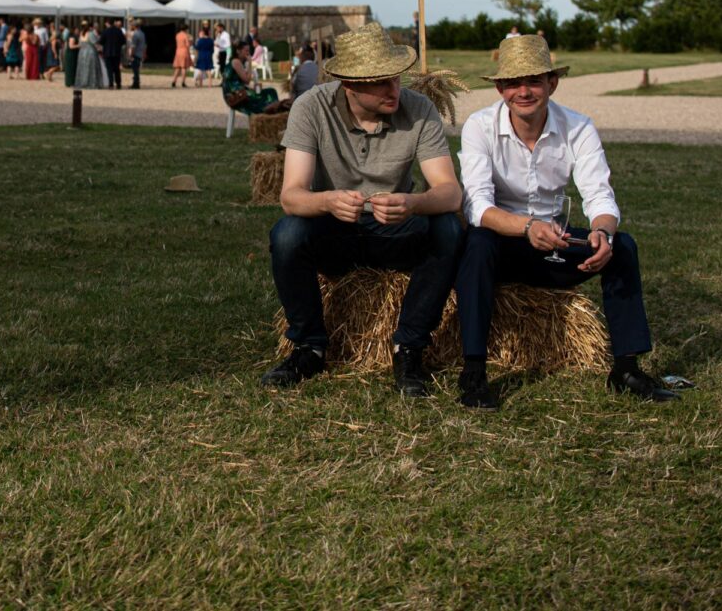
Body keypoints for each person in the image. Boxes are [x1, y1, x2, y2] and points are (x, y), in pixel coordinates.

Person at [453, 34, 676, 409]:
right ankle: (473, 373)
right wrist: (526, 228)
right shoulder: (479, 126)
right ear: (500, 88)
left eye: (534, 81)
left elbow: (600, 196)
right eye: (512, 83)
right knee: (477, 242)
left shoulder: (579, 127)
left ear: (552, 83)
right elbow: (476, 206)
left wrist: (603, 233)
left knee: (622, 247)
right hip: (503, 244)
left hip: (553, 244)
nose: (522, 92)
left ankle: (626, 369)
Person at [264, 22, 464, 397]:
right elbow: (291, 196)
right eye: (382, 83)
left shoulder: (419, 110)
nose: (395, 90)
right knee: (286, 234)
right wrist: (326, 201)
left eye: (396, 79)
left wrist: (413, 203)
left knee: (449, 229)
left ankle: (409, 348)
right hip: (335, 229)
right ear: (351, 85)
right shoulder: (312, 107)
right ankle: (309, 347)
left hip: (395, 229)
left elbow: (450, 193)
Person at [222, 39, 288, 115]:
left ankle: (273, 112)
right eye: (246, 51)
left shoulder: (238, 62)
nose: (248, 53)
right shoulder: (236, 62)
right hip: (236, 96)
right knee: (268, 94)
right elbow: (247, 80)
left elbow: (242, 81)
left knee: (271, 91)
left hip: (239, 92)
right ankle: (271, 112)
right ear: (238, 51)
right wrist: (250, 63)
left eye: (249, 51)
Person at [73, 21, 105, 89]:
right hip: (90, 52)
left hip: (82, 53)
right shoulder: (90, 34)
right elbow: (95, 43)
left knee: (83, 68)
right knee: (91, 68)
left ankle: (83, 82)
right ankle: (92, 82)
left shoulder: (81, 34)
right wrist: (101, 49)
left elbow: (80, 43)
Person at [99, 19, 126, 89]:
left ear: (107, 23)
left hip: (107, 53)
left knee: (109, 69)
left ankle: (111, 84)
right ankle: (118, 83)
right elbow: (123, 41)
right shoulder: (118, 31)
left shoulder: (105, 31)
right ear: (114, 23)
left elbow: (101, 42)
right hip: (116, 53)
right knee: (117, 69)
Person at [128, 18, 147, 89]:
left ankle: (136, 83)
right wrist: (144, 53)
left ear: (135, 26)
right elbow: (144, 45)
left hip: (136, 53)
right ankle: (136, 82)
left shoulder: (135, 34)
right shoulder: (142, 34)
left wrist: (131, 54)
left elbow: (133, 46)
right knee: (137, 69)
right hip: (140, 53)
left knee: (135, 69)